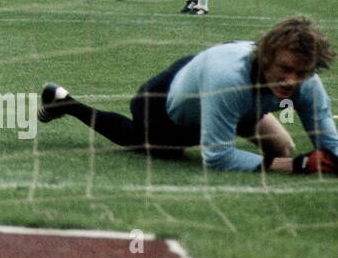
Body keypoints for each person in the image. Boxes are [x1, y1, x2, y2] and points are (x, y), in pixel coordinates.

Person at [39, 15, 338, 174]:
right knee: (159, 149)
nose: (291, 81)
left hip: (235, 100)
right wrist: (299, 166)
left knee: (281, 149)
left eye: (301, 73)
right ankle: (68, 103)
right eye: (285, 69)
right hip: (163, 105)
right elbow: (217, 157)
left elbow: (329, 144)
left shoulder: (305, 79)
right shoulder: (229, 78)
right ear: (267, 55)